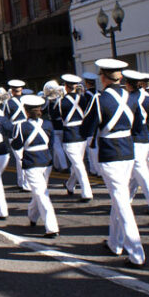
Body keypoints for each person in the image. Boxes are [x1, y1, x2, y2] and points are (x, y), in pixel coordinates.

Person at [83, 59, 146, 268]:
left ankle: (137, 253)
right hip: (129, 150)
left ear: (103, 76)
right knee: (119, 199)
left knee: (121, 202)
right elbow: (138, 128)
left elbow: (86, 130)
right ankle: (115, 242)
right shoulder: (132, 97)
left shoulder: (100, 100)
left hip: (110, 153)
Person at [12, 95, 58, 236]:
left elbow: (16, 145)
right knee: (39, 192)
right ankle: (32, 217)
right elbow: (52, 143)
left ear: (26, 111)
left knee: (41, 194)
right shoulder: (48, 124)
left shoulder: (21, 126)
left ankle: (52, 228)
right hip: (46, 160)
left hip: (32, 161)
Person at [123, 71, 149, 214]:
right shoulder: (148, 97)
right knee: (135, 173)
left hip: (135, 137)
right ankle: (125, 201)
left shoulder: (129, 98)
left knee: (140, 171)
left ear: (128, 84)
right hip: (146, 135)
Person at [56, 74, 93, 202]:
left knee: (78, 165)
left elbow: (57, 116)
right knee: (77, 164)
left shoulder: (61, 101)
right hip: (81, 135)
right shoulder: (83, 99)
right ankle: (70, 185)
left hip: (70, 136)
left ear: (66, 87)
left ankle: (86, 192)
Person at [4, 80, 28, 189]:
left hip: (15, 130)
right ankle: (24, 181)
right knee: (27, 155)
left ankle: (23, 182)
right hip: (28, 128)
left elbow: (6, 119)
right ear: (21, 89)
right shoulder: (27, 100)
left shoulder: (8, 103)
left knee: (19, 158)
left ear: (12, 91)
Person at [81, 72, 101, 176]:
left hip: (90, 125)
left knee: (92, 148)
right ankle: (95, 169)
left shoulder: (86, 96)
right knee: (96, 146)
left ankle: (96, 170)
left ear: (86, 83)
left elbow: (84, 112)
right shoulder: (99, 93)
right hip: (100, 123)